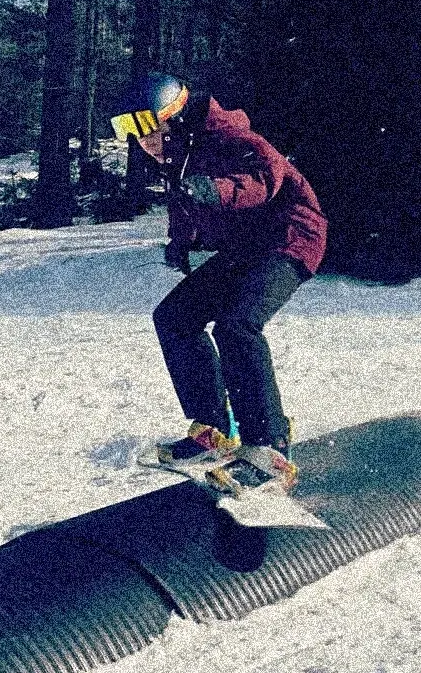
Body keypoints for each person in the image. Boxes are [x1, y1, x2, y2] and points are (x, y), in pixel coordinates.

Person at [111, 73, 327, 492]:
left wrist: (218, 190)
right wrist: (182, 244)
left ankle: (269, 447)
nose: (140, 141)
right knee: (175, 317)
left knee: (237, 325)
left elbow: (266, 178)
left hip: (291, 237)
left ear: (169, 115)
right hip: (246, 247)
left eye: (142, 127)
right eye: (127, 132)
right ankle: (212, 433)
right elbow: (188, 207)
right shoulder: (180, 152)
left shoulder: (228, 133)